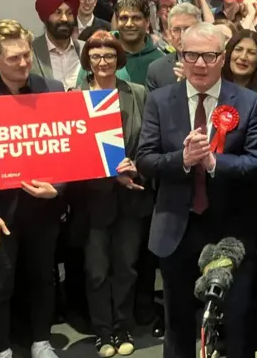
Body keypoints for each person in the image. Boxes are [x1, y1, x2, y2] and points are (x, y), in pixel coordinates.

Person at [135, 22, 257, 358]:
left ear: (222, 58)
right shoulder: (160, 100)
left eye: (209, 55)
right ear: (181, 54)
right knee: (178, 326)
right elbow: (145, 159)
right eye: (191, 54)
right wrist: (182, 159)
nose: (200, 63)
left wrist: (212, 163)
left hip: (232, 233)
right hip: (176, 230)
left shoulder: (249, 102)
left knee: (237, 325)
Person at [0, 19, 66, 358]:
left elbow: (66, 149)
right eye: (13, 58)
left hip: (43, 207)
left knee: (42, 278)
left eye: (25, 55)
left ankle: (40, 340)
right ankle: (1, 349)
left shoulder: (51, 88)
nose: (23, 63)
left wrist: (59, 188)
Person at [74, 30, 153, 357]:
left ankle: (122, 327)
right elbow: (73, 153)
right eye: (96, 56)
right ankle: (102, 332)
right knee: (95, 271)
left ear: (118, 60)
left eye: (108, 56)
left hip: (132, 194)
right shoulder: (74, 97)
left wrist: (136, 166)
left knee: (127, 268)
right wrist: (109, 175)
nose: (103, 62)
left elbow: (150, 140)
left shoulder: (136, 93)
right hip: (93, 200)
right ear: (87, 62)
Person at [146, 2, 201, 91]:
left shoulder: (213, 63)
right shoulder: (156, 70)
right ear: (170, 34)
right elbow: (155, 104)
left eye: (188, 29)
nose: (182, 35)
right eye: (176, 30)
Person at [31, 0, 83, 89]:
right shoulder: (31, 51)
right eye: (58, 13)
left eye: (69, 13)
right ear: (46, 17)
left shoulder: (86, 48)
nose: (64, 18)